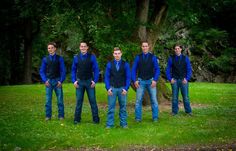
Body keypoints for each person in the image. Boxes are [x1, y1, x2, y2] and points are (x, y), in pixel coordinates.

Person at [71, 41, 100, 124]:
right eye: (81, 46)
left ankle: (96, 120)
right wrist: (74, 81)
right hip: (79, 82)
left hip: (89, 82)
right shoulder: (76, 58)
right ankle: (77, 119)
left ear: (87, 48)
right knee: (79, 101)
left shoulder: (92, 57)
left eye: (84, 46)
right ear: (79, 47)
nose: (83, 48)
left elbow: (96, 70)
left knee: (93, 101)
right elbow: (73, 70)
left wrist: (95, 81)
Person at [131, 41, 160, 122]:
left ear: (148, 47)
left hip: (151, 81)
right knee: (138, 101)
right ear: (141, 47)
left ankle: (155, 118)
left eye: (146, 46)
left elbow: (157, 69)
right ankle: (138, 118)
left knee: (154, 100)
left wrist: (155, 80)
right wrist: (135, 80)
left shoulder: (153, 57)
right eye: (143, 46)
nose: (144, 47)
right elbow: (133, 69)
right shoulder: (138, 57)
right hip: (141, 81)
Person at [104, 47, 131, 128]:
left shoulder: (125, 64)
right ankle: (110, 124)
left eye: (118, 53)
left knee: (123, 107)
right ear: (113, 54)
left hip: (122, 89)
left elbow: (128, 77)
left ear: (121, 54)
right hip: (112, 89)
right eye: (115, 53)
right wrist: (108, 88)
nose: (117, 55)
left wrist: (126, 88)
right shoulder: (109, 64)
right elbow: (106, 77)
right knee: (111, 108)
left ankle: (123, 124)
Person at [39, 42, 66, 121]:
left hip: (58, 81)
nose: (50, 49)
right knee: (48, 100)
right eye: (48, 48)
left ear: (55, 48)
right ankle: (48, 116)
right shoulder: (45, 59)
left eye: (51, 48)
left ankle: (61, 116)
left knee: (60, 100)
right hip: (49, 82)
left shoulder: (59, 58)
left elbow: (63, 70)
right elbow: (42, 71)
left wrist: (61, 81)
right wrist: (45, 80)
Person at [166, 44, 192, 116]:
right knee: (174, 97)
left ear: (181, 49)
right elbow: (168, 69)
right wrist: (170, 78)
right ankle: (174, 112)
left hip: (183, 80)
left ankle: (188, 111)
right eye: (175, 49)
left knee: (186, 97)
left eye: (178, 48)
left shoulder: (185, 58)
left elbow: (189, 69)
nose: (177, 50)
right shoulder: (171, 58)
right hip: (175, 80)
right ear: (174, 50)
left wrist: (187, 79)